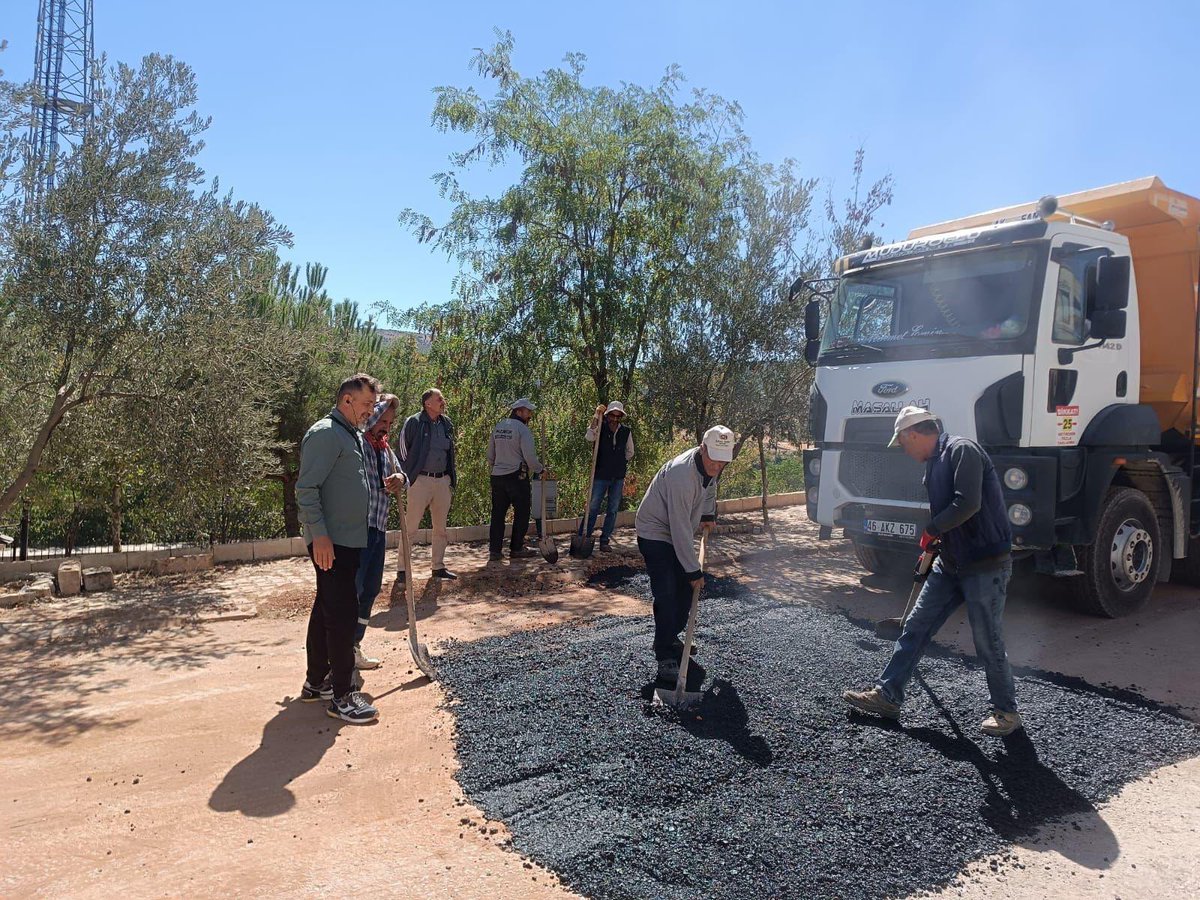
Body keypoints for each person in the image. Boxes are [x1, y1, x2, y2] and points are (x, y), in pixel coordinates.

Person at [842, 406, 1022, 736]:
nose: (904, 451)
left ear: (913, 434)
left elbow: (968, 503)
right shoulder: (934, 463)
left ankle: (1006, 712)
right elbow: (947, 513)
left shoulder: (961, 450)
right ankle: (888, 695)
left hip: (985, 566)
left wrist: (933, 529)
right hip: (950, 564)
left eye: (903, 443)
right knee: (915, 627)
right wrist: (934, 546)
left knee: (987, 641)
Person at [296, 373, 382, 725]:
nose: (369, 412)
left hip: (348, 539)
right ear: (347, 400)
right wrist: (320, 536)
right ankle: (343, 697)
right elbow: (306, 489)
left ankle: (316, 682)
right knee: (343, 614)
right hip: (332, 542)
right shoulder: (325, 434)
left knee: (327, 608)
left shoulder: (351, 434)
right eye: (366, 405)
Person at [635, 425, 734, 686]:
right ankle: (665, 654)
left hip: (676, 531)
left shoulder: (712, 466)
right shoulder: (681, 474)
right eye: (713, 457)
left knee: (686, 594)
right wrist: (693, 571)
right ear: (702, 449)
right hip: (655, 531)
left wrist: (708, 514)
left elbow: (710, 486)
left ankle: (671, 636)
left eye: (723, 460)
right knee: (667, 591)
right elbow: (679, 529)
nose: (717, 465)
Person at [353, 394, 406, 670]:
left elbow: (402, 475)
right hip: (357, 531)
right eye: (382, 419)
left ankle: (355, 645)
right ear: (371, 416)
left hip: (378, 528)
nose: (386, 425)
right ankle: (339, 650)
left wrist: (400, 479)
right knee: (354, 589)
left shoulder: (385, 449)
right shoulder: (357, 444)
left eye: (390, 421)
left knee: (371, 589)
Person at [395, 388, 459, 582]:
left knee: (440, 528)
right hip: (420, 481)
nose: (443, 400)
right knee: (411, 528)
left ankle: (438, 567)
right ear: (427, 404)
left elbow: (450, 452)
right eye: (439, 398)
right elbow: (402, 451)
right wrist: (407, 476)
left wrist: (449, 478)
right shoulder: (414, 422)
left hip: (442, 481)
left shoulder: (446, 423)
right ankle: (402, 570)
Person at [487, 397, 549, 561]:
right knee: (522, 512)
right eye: (528, 412)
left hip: (497, 476)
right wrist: (540, 469)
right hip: (517, 476)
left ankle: (495, 551)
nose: (530, 415)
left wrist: (499, 465)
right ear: (518, 411)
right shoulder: (523, 430)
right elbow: (530, 457)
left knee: (498, 514)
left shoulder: (499, 426)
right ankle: (517, 548)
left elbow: (490, 455)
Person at [584, 401, 635, 552]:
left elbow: (630, 452)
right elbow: (589, 437)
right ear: (607, 415)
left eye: (617, 416)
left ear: (621, 417)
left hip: (618, 476)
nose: (614, 419)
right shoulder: (600, 426)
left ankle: (604, 540)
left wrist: (618, 462)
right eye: (612, 415)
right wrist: (595, 416)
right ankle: (584, 536)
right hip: (601, 474)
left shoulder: (626, 431)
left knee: (612, 509)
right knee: (593, 507)